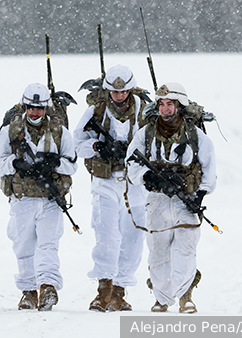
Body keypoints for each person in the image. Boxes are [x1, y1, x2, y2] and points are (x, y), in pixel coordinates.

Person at [126, 82, 216, 313]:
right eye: (162, 104)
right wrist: (148, 178)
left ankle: (186, 296)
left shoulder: (196, 136)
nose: (165, 109)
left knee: (185, 250)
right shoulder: (145, 133)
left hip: (186, 199)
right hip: (157, 201)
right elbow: (131, 164)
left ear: (180, 105)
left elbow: (209, 170)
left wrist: (200, 195)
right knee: (158, 251)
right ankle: (162, 298)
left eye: (170, 104)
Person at [0, 83, 78, 311]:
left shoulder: (60, 131)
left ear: (46, 107)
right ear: (25, 106)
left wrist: (56, 163)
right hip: (22, 198)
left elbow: (73, 164)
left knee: (48, 244)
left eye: (39, 108)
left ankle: (47, 287)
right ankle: (28, 291)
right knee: (23, 245)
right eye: (30, 108)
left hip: (50, 199)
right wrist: (15, 163)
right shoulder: (10, 130)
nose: (34, 113)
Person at [73, 65, 147, 312]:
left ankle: (120, 291)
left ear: (130, 89)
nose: (118, 96)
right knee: (106, 235)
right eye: (114, 92)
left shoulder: (145, 112)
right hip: (104, 181)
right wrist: (98, 147)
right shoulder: (97, 110)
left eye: (123, 91)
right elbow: (77, 143)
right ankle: (104, 290)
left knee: (133, 237)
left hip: (134, 182)